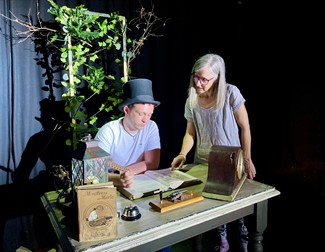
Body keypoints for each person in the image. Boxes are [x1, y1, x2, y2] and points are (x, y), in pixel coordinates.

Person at [171, 53, 256, 252]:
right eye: (195, 76)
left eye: (203, 79)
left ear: (217, 78)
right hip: (203, 160)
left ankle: (243, 243)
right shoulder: (192, 99)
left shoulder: (230, 93)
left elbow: (245, 127)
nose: (198, 83)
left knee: (238, 207)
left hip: (232, 161)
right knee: (213, 205)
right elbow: (190, 133)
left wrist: (248, 158)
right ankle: (222, 241)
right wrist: (182, 154)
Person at [95, 78, 161, 188]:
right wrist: (117, 179)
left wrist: (126, 173)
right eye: (141, 114)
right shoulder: (108, 131)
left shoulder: (151, 127)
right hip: (109, 187)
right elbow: (95, 170)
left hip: (137, 184)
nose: (145, 120)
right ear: (126, 110)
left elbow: (152, 162)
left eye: (149, 115)